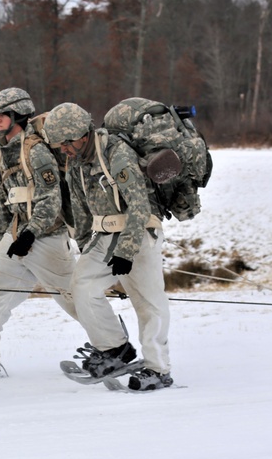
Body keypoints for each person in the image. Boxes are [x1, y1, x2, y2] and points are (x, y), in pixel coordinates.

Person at [42, 102, 174, 391]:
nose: (63, 149)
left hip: (138, 232)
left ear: (82, 134)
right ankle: (114, 349)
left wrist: (126, 252)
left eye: (66, 143)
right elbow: (79, 208)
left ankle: (158, 369)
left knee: (147, 300)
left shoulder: (116, 153)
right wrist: (83, 245)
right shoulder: (75, 163)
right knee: (82, 286)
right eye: (59, 144)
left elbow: (138, 205)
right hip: (103, 236)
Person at [0, 87, 78, 379]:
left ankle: (112, 347)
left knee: (74, 297)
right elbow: (3, 201)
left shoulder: (35, 151)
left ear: (18, 115)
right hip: (15, 238)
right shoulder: (1, 156)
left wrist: (31, 233)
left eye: (2, 114)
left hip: (47, 238)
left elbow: (52, 199)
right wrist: (4, 238)